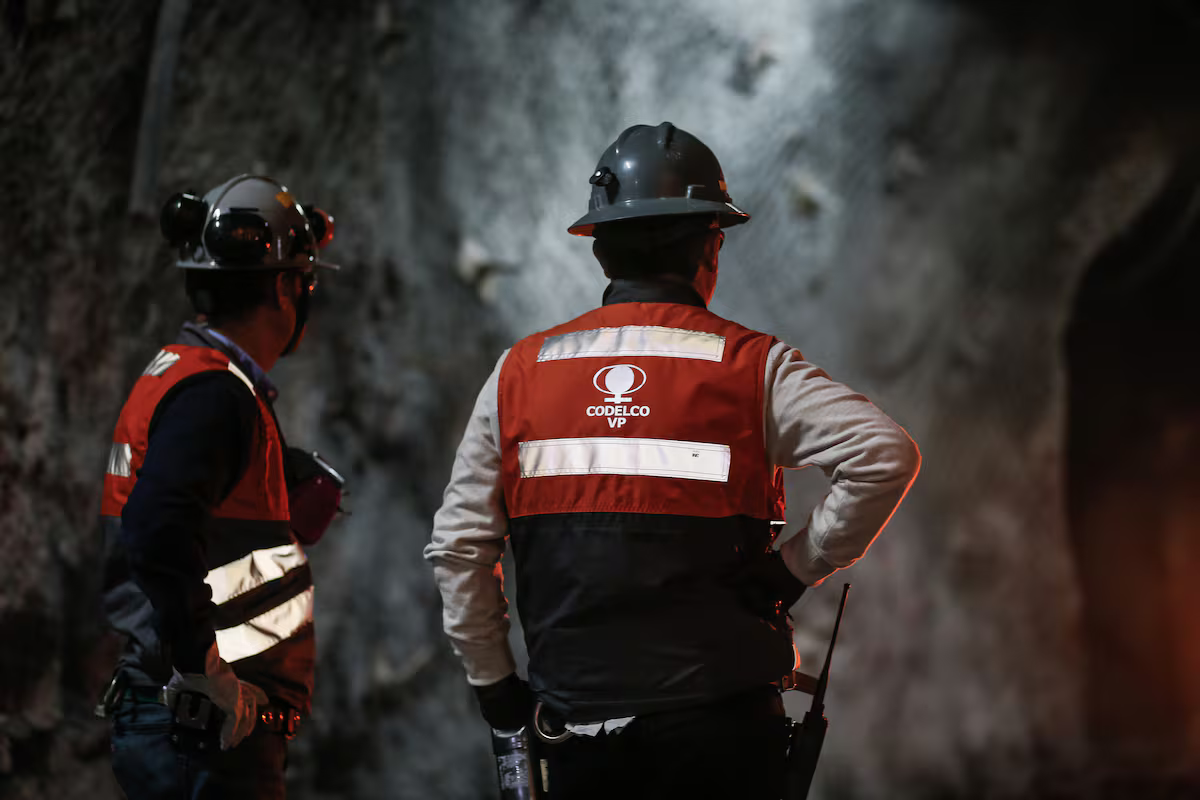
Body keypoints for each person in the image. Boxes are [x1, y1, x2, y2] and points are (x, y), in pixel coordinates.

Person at [425, 122, 921, 799]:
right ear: (709, 248)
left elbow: (459, 547)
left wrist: (495, 687)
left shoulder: (519, 374)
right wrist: (794, 568)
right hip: (724, 734)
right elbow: (883, 455)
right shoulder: (753, 368)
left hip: (578, 737)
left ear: (600, 248)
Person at [98, 174, 343, 799]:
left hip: (188, 725)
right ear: (287, 286)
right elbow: (155, 528)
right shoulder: (214, 395)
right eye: (306, 281)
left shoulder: (194, 378)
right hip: (200, 730)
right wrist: (203, 666)